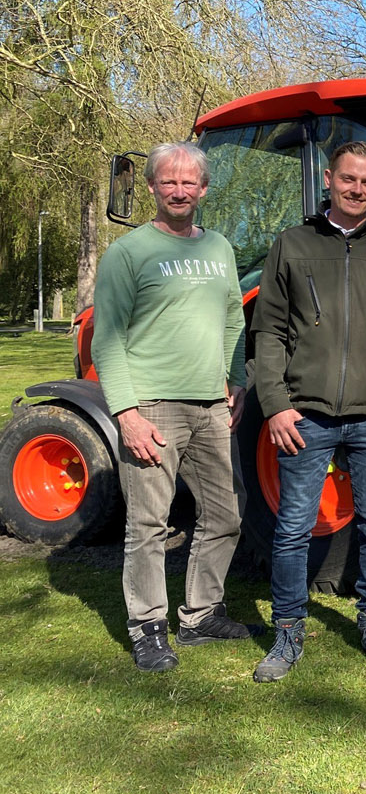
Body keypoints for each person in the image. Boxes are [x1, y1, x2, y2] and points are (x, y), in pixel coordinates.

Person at [250, 141, 366, 681]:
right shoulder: (293, 244)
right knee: (292, 528)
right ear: (329, 179)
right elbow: (268, 330)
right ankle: (287, 630)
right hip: (306, 415)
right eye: (348, 179)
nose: (357, 189)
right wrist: (276, 405)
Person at [91, 141, 256, 671]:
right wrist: (127, 414)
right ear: (152, 187)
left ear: (203, 189)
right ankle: (147, 627)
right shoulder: (128, 253)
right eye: (169, 181)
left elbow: (233, 318)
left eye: (189, 182)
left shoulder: (219, 248)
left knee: (227, 513)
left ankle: (201, 615)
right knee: (148, 525)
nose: (179, 190)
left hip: (212, 405)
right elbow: (106, 340)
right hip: (152, 406)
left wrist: (236, 379)